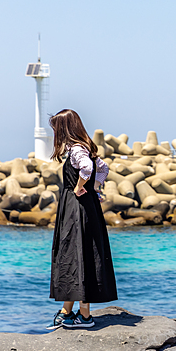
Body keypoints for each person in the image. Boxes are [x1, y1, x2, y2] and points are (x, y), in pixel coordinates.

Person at [46, 109, 117, 329]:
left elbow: (88, 168)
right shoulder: (84, 147)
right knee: (83, 252)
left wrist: (79, 187)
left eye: (57, 128)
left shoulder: (76, 149)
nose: (55, 132)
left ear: (65, 128)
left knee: (74, 252)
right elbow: (102, 168)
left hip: (76, 208)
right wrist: (94, 189)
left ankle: (82, 315)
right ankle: (73, 311)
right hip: (86, 208)